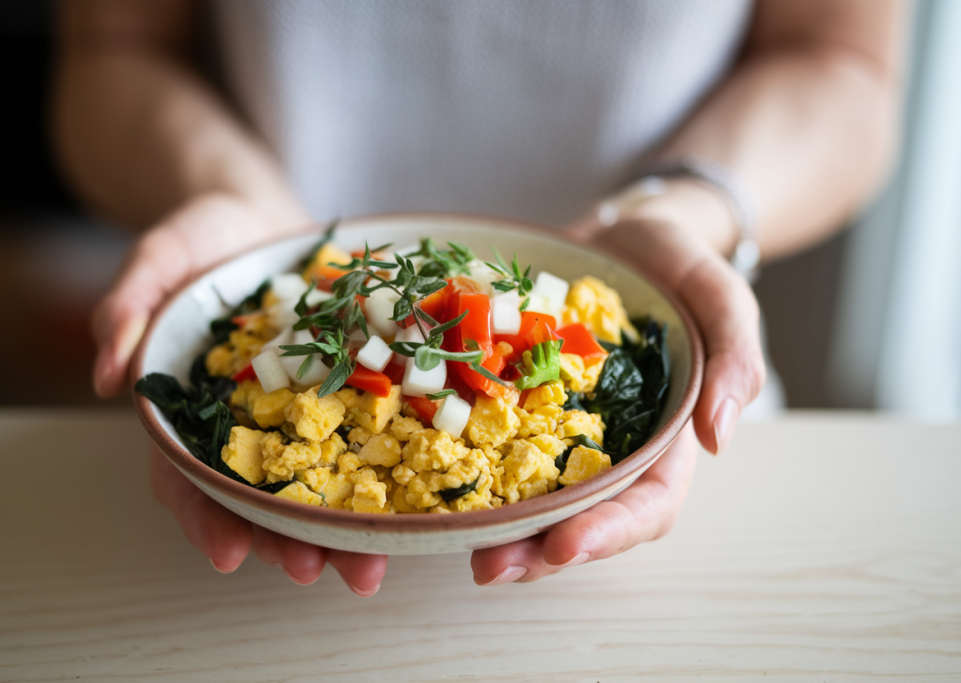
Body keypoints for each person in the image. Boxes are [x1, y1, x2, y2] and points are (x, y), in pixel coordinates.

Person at [54, 0, 906, 596]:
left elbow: (845, 64)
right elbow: (112, 48)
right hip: (225, 555)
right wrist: (243, 212)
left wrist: (684, 208)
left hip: (682, 534)